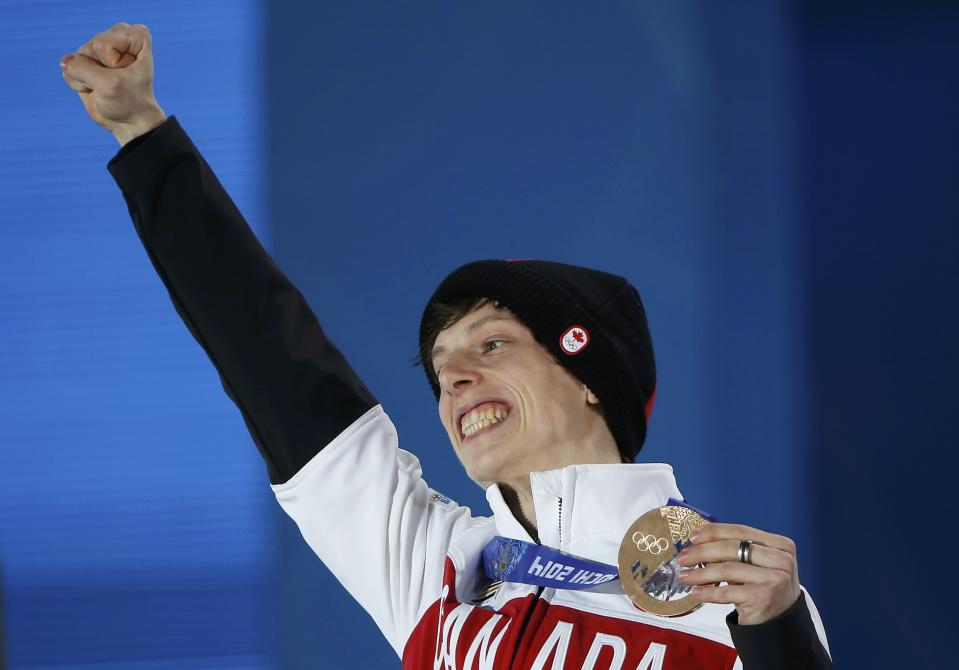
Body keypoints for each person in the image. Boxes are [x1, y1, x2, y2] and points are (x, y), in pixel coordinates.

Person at [60, 23, 833, 669]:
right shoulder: (438, 565)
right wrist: (142, 134)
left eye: (490, 345)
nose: (454, 380)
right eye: (438, 373)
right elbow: (270, 358)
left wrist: (780, 633)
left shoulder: (733, 599)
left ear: (587, 372)